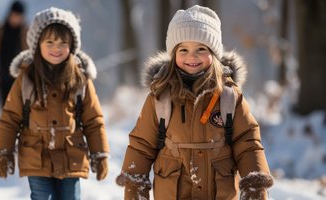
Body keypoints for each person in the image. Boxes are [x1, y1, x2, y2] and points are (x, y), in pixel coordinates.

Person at [116, 5, 273, 200]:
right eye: (183, 49)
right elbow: (141, 146)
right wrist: (134, 187)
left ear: (214, 53)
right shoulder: (160, 98)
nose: (192, 56)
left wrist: (255, 184)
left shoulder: (229, 97)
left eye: (201, 49)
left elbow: (247, 143)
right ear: (173, 55)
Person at [0, 7, 110, 200]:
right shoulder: (26, 79)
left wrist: (100, 154)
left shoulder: (80, 79)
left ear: (72, 46)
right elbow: (10, 119)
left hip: (71, 155)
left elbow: (93, 120)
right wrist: (3, 153)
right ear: (37, 44)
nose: (56, 48)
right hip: (36, 156)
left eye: (63, 43)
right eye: (50, 42)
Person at [0, 1, 28, 107]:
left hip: (20, 77)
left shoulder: (26, 31)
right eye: (15, 15)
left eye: (19, 16)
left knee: (21, 109)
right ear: (10, 14)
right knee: (5, 108)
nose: (16, 19)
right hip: (2, 76)